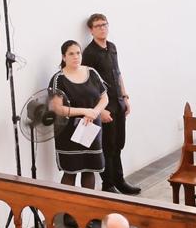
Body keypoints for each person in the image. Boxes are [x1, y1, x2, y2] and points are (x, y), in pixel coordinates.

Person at [82, 14, 139, 195]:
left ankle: (119, 180)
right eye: (97, 26)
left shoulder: (112, 47)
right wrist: (101, 110)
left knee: (119, 144)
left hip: (118, 102)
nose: (102, 28)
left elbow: (118, 73)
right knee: (108, 145)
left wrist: (125, 96)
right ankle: (108, 184)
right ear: (91, 30)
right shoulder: (89, 53)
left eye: (104, 24)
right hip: (105, 106)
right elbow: (88, 83)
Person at [49, 40, 109, 189]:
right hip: (68, 133)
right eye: (71, 54)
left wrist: (94, 112)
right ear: (64, 57)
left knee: (89, 170)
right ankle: (68, 211)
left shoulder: (92, 73)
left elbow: (104, 98)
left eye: (78, 53)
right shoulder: (58, 79)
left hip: (91, 129)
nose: (76, 56)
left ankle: (86, 210)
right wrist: (85, 111)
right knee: (70, 172)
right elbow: (57, 108)